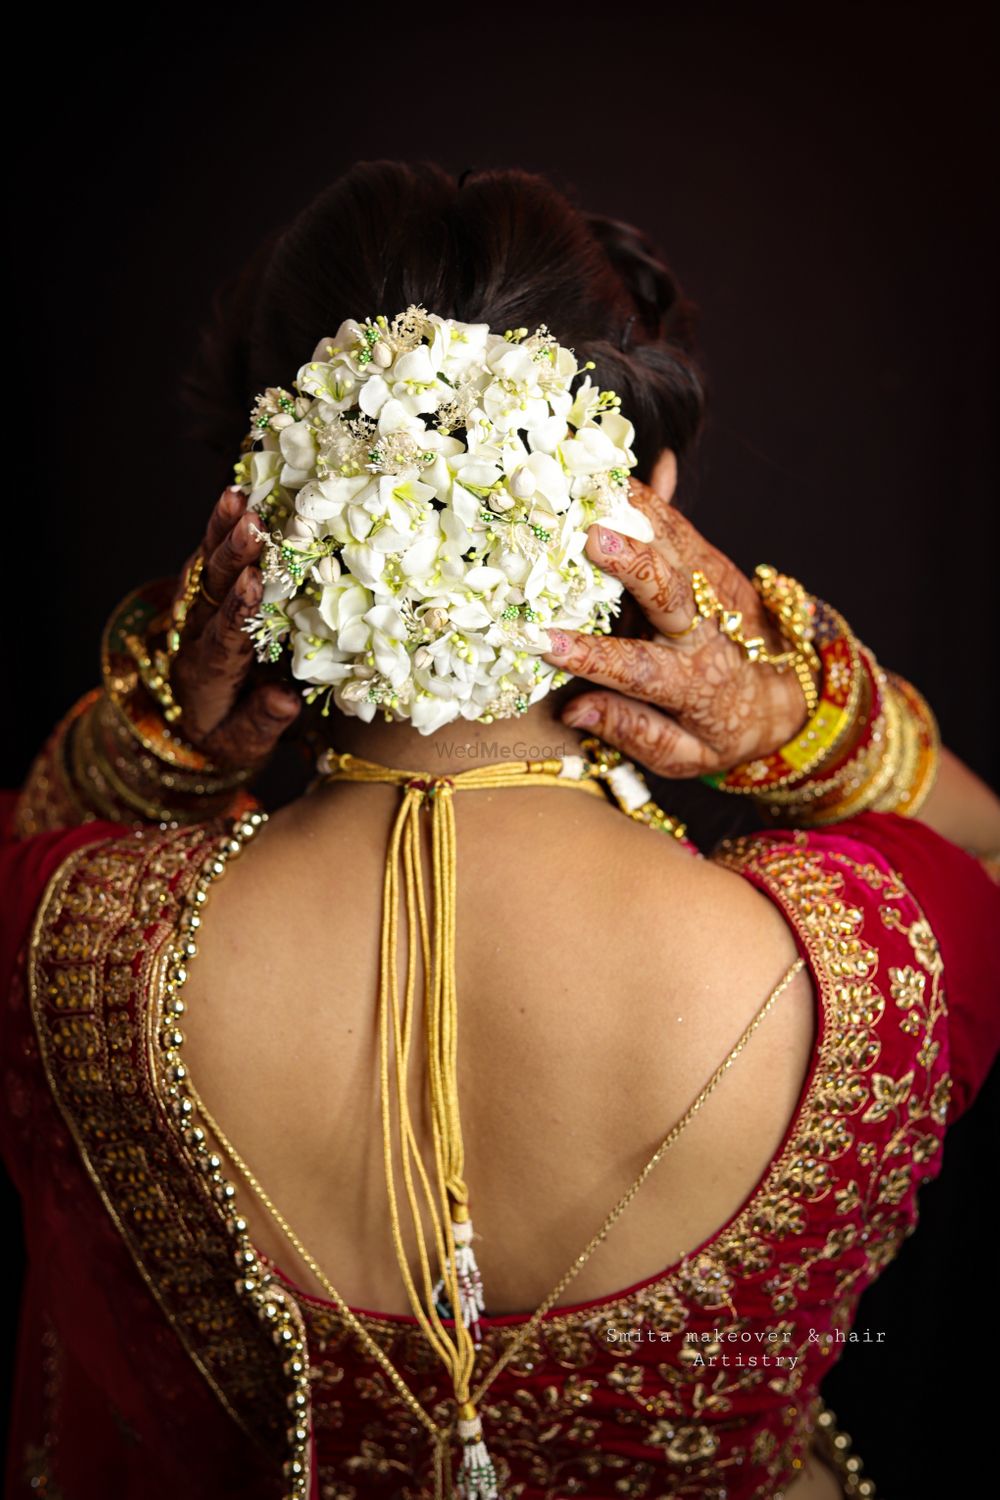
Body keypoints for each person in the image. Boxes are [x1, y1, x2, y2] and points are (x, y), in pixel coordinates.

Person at [2, 162, 997, 1500]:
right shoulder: (861, 958)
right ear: (653, 497)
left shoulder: (81, 934)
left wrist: (158, 743)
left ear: (267, 508)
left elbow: (32, 833)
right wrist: (791, 712)